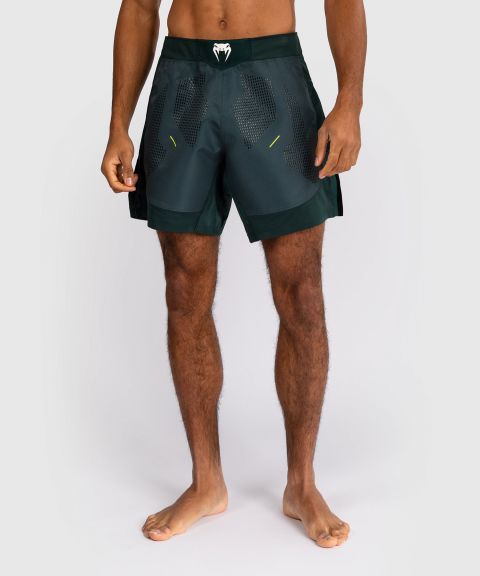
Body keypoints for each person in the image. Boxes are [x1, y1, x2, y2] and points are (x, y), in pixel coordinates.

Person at [101, 0, 366, 548]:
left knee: (301, 292)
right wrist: (118, 125)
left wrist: (350, 102)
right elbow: (140, 7)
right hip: (183, 84)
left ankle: (302, 484)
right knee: (183, 289)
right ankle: (206, 482)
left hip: (271, 78)